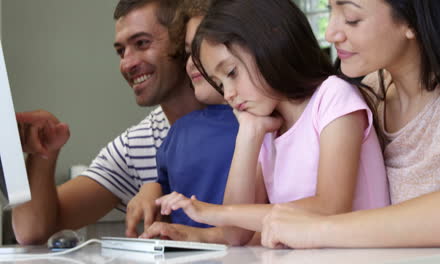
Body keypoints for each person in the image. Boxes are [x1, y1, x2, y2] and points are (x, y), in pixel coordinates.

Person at [153, 0, 389, 246]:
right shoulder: (267, 127)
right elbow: (236, 235)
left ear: (270, 43)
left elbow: (329, 207)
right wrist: (248, 135)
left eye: (232, 73)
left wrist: (213, 212)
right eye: (221, 83)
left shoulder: (333, 97)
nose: (228, 94)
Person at [261, 0, 440, 249]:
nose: (330, 34)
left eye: (351, 19)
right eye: (330, 12)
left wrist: (319, 229)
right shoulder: (370, 92)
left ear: (411, 22)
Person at [13, 0, 203, 245]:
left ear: (186, 41)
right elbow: (31, 232)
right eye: (121, 51)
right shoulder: (135, 146)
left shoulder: (247, 115)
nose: (127, 63)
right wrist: (43, 153)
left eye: (142, 43)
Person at [129, 0, 239, 229]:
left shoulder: (265, 120)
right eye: (188, 52)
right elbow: (166, 200)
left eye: (204, 49)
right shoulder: (179, 132)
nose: (192, 62)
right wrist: (151, 191)